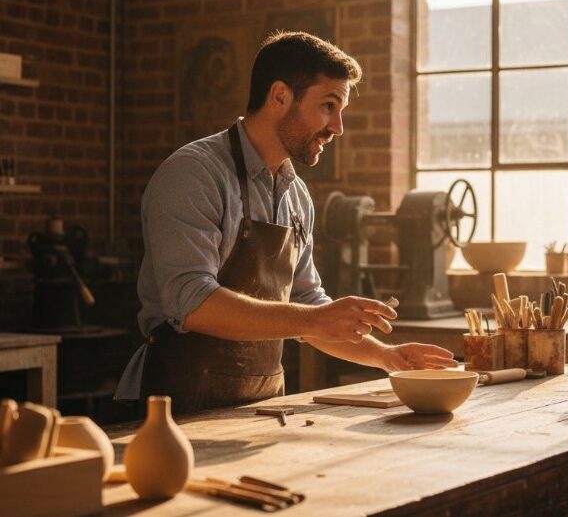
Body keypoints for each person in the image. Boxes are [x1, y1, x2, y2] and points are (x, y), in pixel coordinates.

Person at [116, 31, 456, 414]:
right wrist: (315, 319)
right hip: (173, 409)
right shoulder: (194, 173)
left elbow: (307, 304)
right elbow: (191, 303)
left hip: (259, 408)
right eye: (328, 106)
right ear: (280, 96)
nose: (338, 127)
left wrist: (387, 356)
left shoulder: (296, 195)